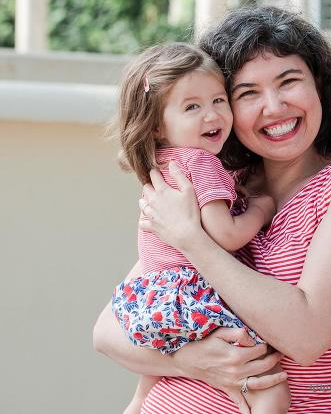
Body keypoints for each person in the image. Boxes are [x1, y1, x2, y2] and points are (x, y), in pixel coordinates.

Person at [93, 5, 331, 414]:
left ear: (320, 85)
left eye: (289, 82)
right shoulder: (220, 184)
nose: (273, 107)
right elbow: (108, 330)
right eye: (247, 93)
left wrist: (192, 240)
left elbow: (306, 335)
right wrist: (194, 361)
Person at [109, 42, 287, 414]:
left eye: (218, 101)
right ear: (157, 125)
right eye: (193, 107)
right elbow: (227, 234)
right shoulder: (201, 163)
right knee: (269, 386)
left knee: (165, 355)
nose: (212, 116)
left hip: (150, 299)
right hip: (191, 294)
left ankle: (139, 401)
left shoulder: (161, 161)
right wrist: (262, 207)